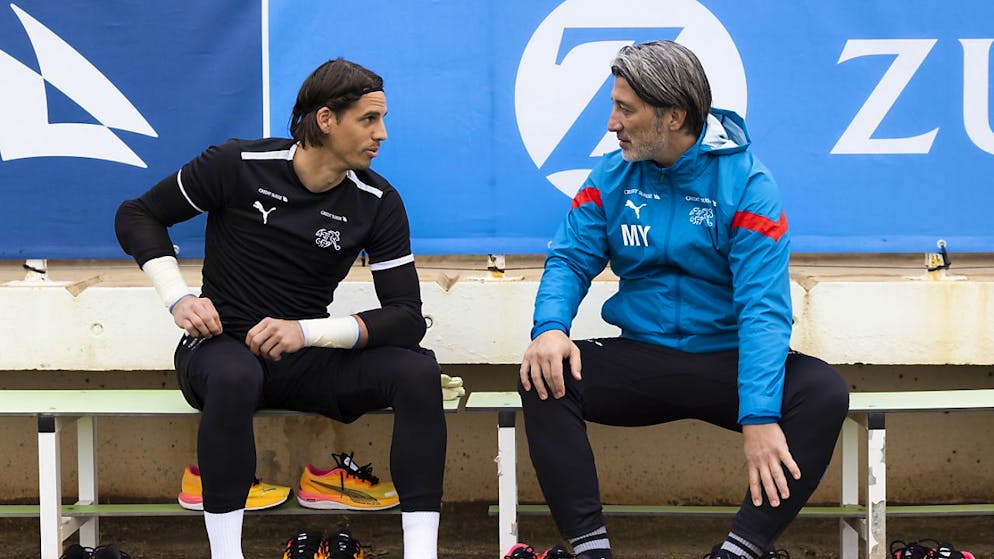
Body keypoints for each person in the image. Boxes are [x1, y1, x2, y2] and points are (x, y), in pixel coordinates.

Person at [516, 41, 849, 559]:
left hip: (727, 362)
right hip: (643, 356)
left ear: (673, 116)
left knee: (823, 391)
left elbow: (764, 307)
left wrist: (759, 415)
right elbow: (570, 258)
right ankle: (591, 551)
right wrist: (550, 329)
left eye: (625, 109)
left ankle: (738, 552)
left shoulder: (748, 183)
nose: (611, 123)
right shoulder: (611, 175)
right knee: (543, 375)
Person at [115, 58, 446, 559]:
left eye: (382, 120)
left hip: (304, 357)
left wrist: (306, 332)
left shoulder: (377, 200)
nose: (382, 134)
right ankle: (227, 553)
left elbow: (406, 317)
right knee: (234, 376)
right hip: (219, 346)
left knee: (418, 372)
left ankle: (421, 551)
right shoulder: (236, 164)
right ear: (326, 120)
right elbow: (137, 214)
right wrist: (179, 297)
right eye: (369, 119)